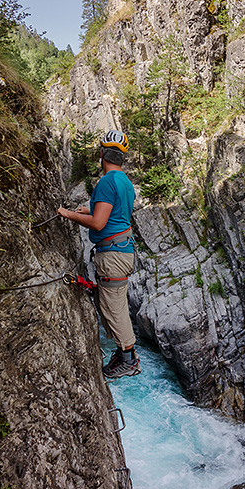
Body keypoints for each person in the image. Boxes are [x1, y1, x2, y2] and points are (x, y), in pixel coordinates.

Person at [57, 130, 141, 379]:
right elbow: (113, 214)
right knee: (113, 304)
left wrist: (68, 214)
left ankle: (128, 359)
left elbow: (98, 223)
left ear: (102, 154)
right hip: (121, 250)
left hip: (113, 255)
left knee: (114, 307)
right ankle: (124, 353)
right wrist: (88, 208)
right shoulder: (125, 182)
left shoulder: (106, 181)